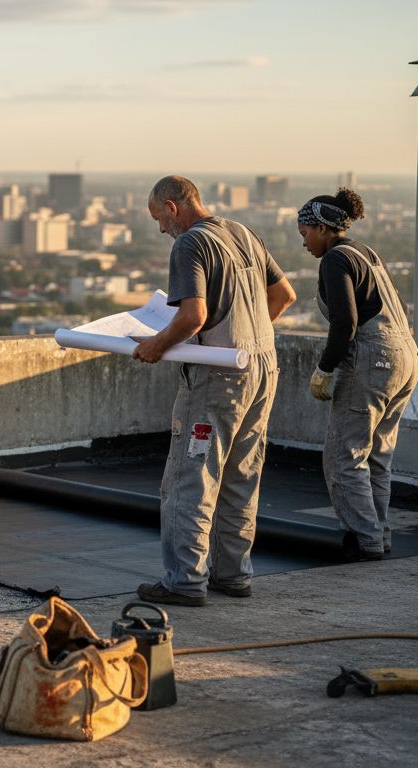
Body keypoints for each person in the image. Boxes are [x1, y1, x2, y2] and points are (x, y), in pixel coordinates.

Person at [132, 176, 297, 606]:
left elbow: (193, 316)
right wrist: (246, 338)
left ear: (172, 207)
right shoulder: (242, 232)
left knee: (193, 476)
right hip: (261, 368)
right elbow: (283, 295)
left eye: (158, 219)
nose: (161, 229)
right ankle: (233, 574)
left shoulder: (190, 245)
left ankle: (185, 581)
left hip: (218, 379)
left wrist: (156, 345)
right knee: (242, 475)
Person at [299, 188, 418, 561]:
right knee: (378, 455)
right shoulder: (368, 254)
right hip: (406, 356)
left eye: (305, 232)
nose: (303, 242)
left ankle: (364, 540)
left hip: (373, 358)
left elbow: (346, 322)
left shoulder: (335, 260)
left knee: (343, 456)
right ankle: (379, 535)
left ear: (323, 227)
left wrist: (325, 368)